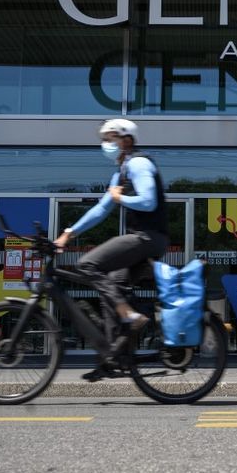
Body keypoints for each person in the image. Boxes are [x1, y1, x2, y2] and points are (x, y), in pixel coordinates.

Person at [53, 119, 168, 379]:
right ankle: (115, 356)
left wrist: (120, 198)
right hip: (146, 238)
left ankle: (127, 314)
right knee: (112, 286)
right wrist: (68, 234)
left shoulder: (138, 163)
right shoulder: (122, 172)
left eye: (111, 138)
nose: (106, 144)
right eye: (104, 139)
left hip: (148, 237)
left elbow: (148, 202)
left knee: (88, 265)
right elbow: (102, 209)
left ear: (126, 139)